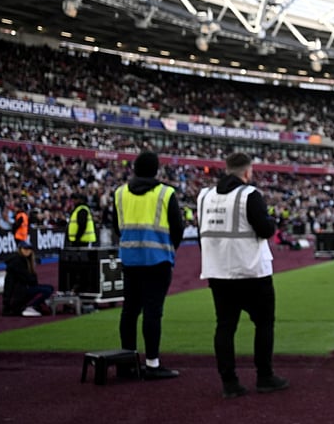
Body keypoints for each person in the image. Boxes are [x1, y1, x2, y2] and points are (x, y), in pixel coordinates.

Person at [197, 152, 289, 399]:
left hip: (217, 271)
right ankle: (265, 376)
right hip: (251, 271)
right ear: (247, 172)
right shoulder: (250, 195)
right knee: (263, 323)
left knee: (225, 326)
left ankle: (229, 382)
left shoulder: (204, 196)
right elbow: (266, 229)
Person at [114, 150, 184, 380]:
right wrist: (169, 247)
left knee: (129, 311)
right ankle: (152, 364)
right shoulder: (165, 193)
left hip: (130, 259)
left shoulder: (120, 193)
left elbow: (117, 227)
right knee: (153, 312)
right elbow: (177, 228)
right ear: (156, 170)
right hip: (158, 261)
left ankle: (127, 363)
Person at [2, 240, 54, 317]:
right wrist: (7, 302)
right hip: (17, 293)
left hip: (23, 289)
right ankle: (29, 307)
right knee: (46, 290)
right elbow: (28, 279)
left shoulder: (26, 260)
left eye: (29, 249)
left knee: (50, 288)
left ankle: (38, 304)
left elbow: (32, 279)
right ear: (20, 249)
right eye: (25, 249)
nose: (27, 251)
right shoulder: (16, 262)